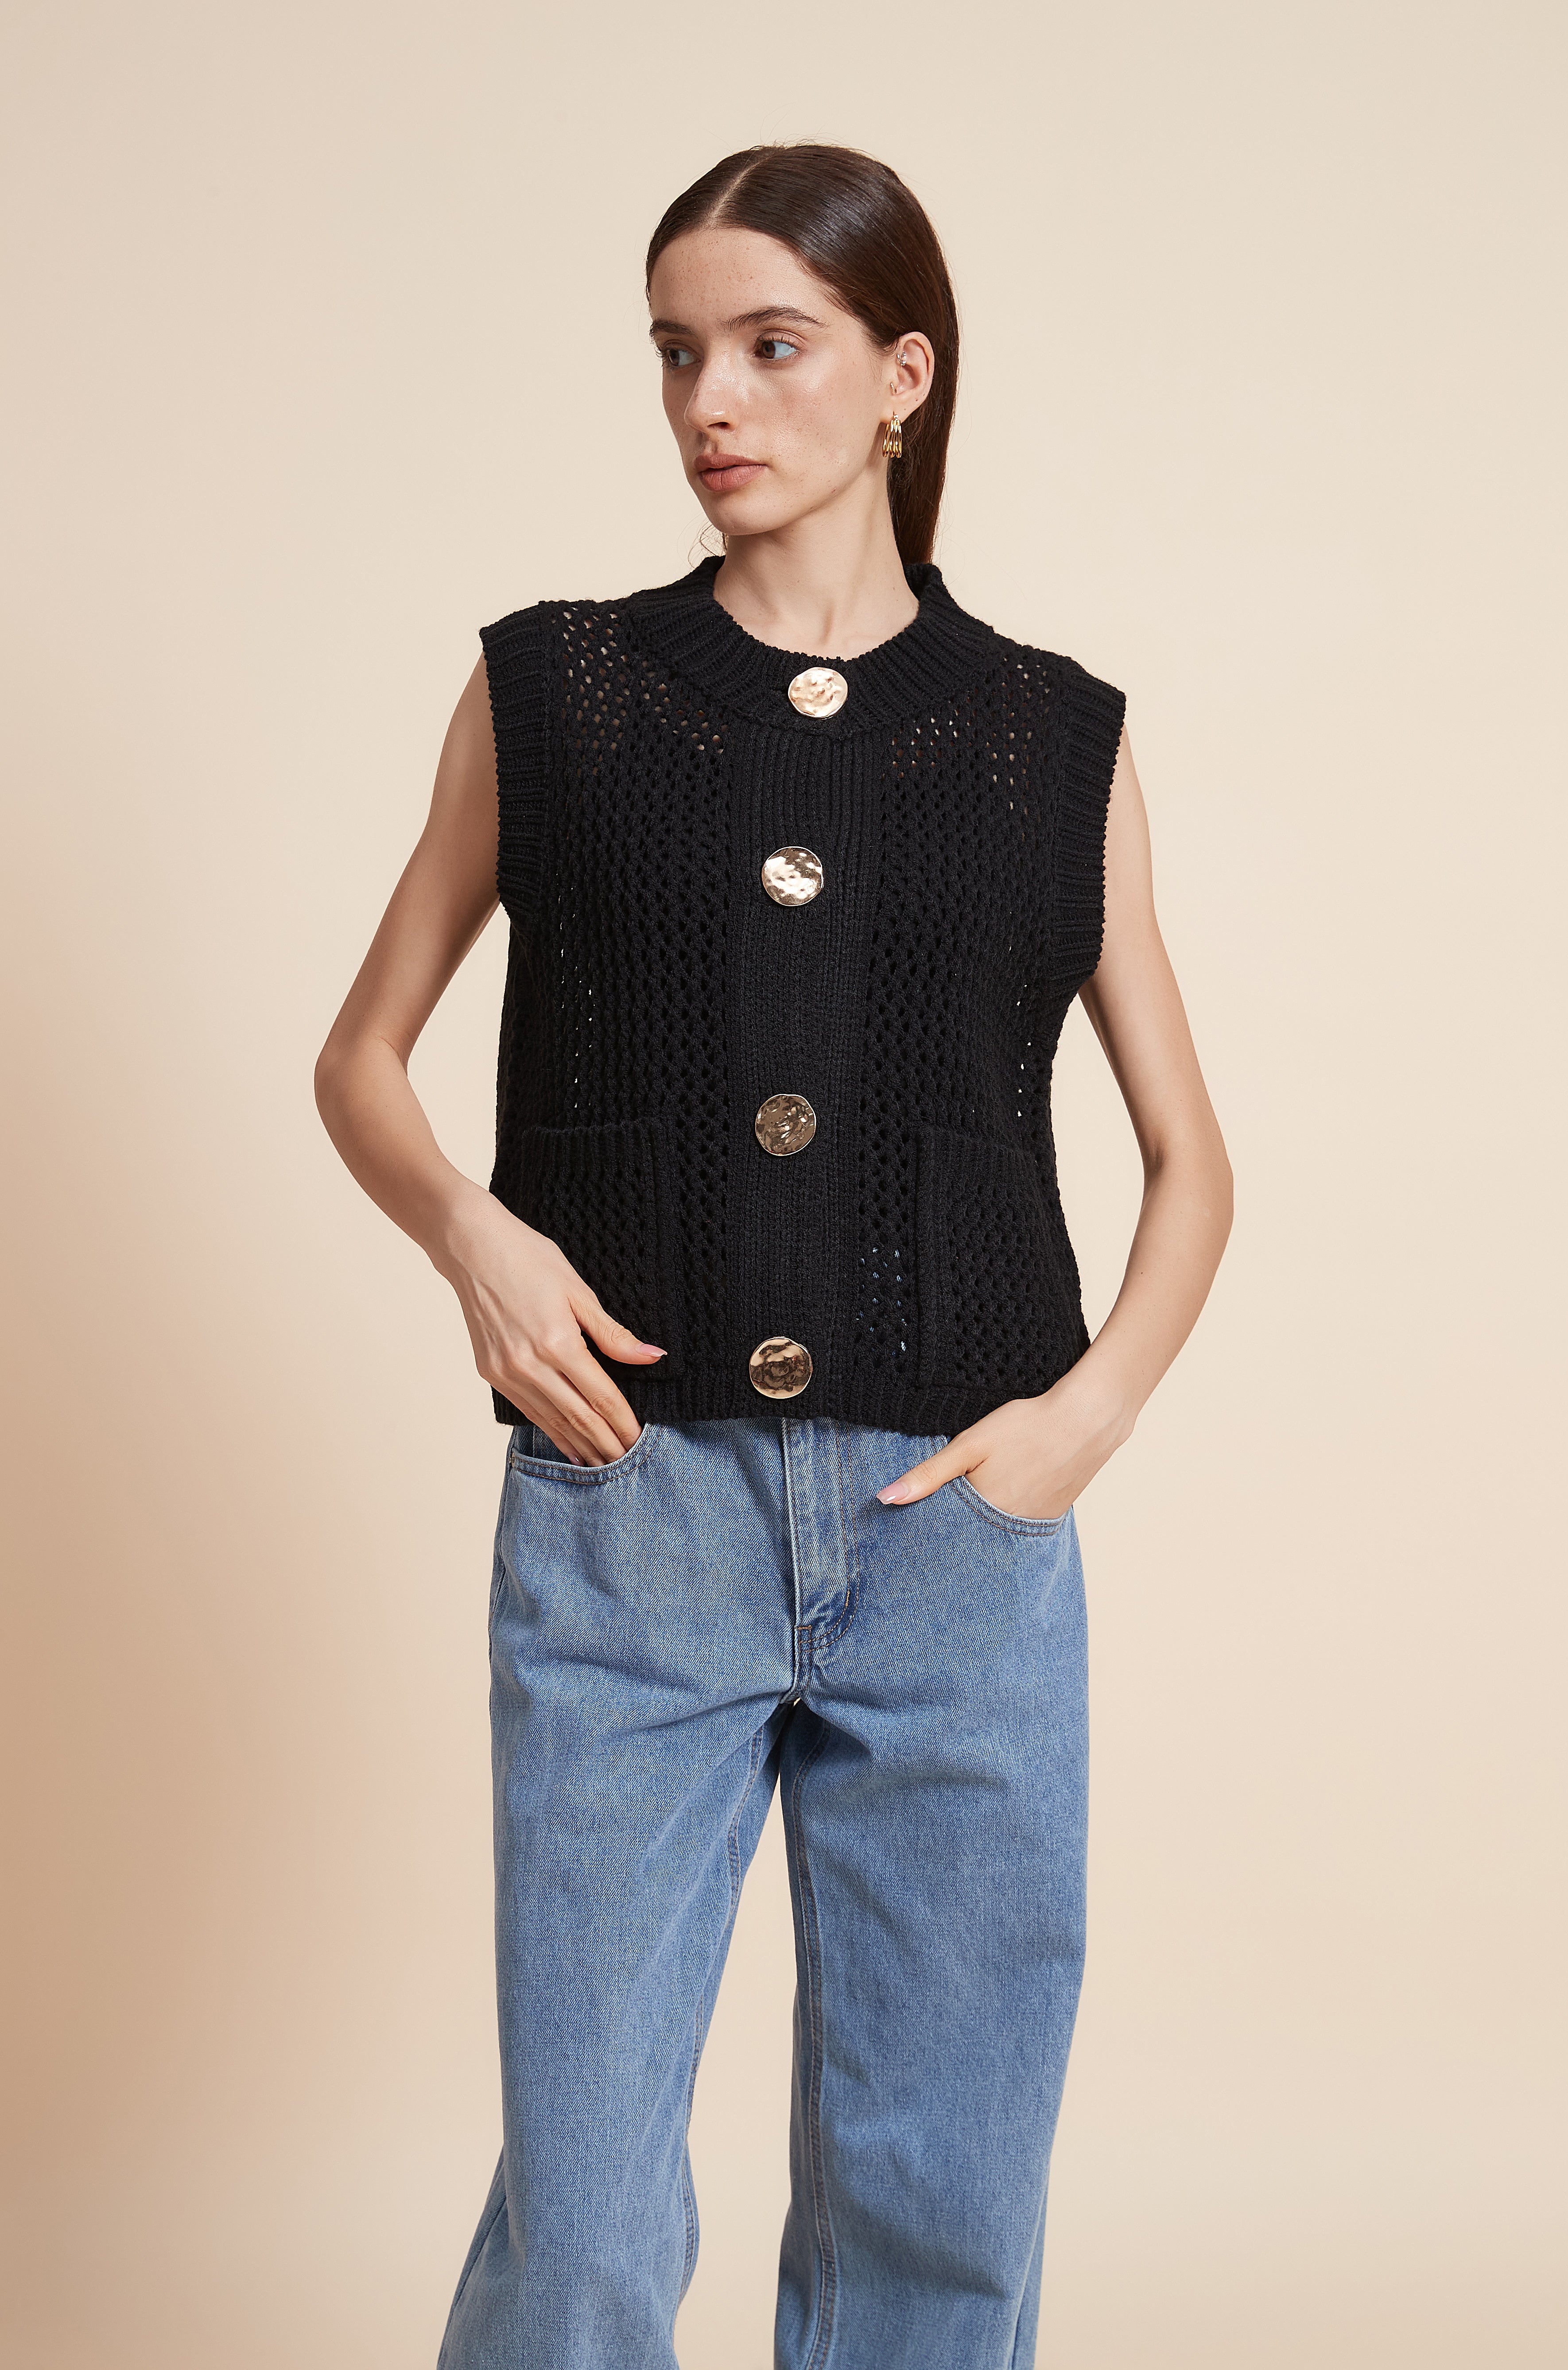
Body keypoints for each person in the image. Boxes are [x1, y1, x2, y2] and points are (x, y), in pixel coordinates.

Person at [315, 141, 1232, 2370]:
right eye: (675, 352)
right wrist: (475, 1244)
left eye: (769, 345)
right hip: (632, 1510)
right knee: (588, 2223)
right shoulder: (558, 693)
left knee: (944, 2210)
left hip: (956, 1539)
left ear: (902, 376)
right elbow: (359, 1060)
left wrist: (1081, 1421)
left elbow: (1191, 1160)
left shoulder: (1050, 739)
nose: (708, 400)